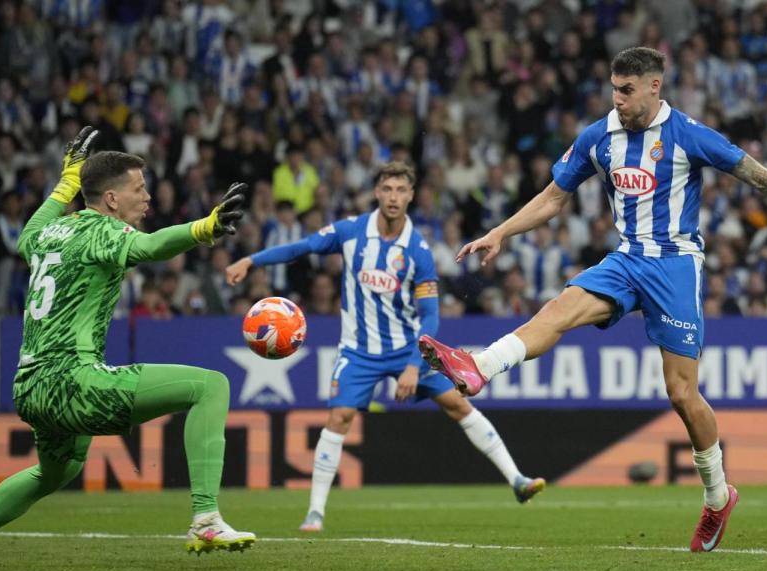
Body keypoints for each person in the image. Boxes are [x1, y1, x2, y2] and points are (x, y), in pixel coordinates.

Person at [418, 47, 767, 554]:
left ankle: (717, 495)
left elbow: (758, 176)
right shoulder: (600, 136)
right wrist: (500, 232)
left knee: (682, 395)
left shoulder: (689, 135)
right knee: (559, 309)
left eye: (626, 90)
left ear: (654, 86)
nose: (617, 99)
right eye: (614, 88)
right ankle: (479, 365)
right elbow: (554, 196)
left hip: (677, 266)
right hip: (627, 259)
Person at [0, 127, 254, 569]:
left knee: (57, 471)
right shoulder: (101, 231)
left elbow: (26, 237)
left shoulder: (52, 230)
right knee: (211, 386)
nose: (148, 197)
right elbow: (152, 247)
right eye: (138, 188)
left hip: (31, 384)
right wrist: (204, 227)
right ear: (111, 200)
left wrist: (67, 180)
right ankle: (205, 519)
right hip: (71, 378)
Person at [225, 161, 545, 532]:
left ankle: (517, 480)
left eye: (401, 190)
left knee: (458, 403)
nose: (393, 197)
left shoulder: (419, 250)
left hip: (406, 348)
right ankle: (315, 512)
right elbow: (303, 247)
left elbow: (430, 318)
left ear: (411, 195)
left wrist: (412, 364)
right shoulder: (350, 232)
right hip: (359, 351)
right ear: (377, 192)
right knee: (339, 418)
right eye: (387, 189)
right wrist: (252, 260)